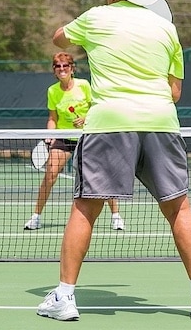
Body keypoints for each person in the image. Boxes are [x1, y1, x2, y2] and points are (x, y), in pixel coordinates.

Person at [37, 0, 191, 321]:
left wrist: (85, 37)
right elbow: (175, 91)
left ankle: (65, 298)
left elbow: (58, 37)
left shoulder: (95, 18)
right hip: (161, 122)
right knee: (179, 209)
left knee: (86, 208)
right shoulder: (166, 29)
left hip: (110, 123)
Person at [24, 52, 124, 231]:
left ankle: (116, 216)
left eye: (65, 66)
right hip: (64, 137)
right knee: (50, 174)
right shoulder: (52, 91)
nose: (62, 69)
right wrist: (50, 133)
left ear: (72, 69)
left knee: (102, 176)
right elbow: (52, 118)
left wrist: (86, 117)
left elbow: (98, 107)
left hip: (88, 136)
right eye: (58, 66)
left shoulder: (84, 85)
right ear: (54, 70)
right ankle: (36, 217)